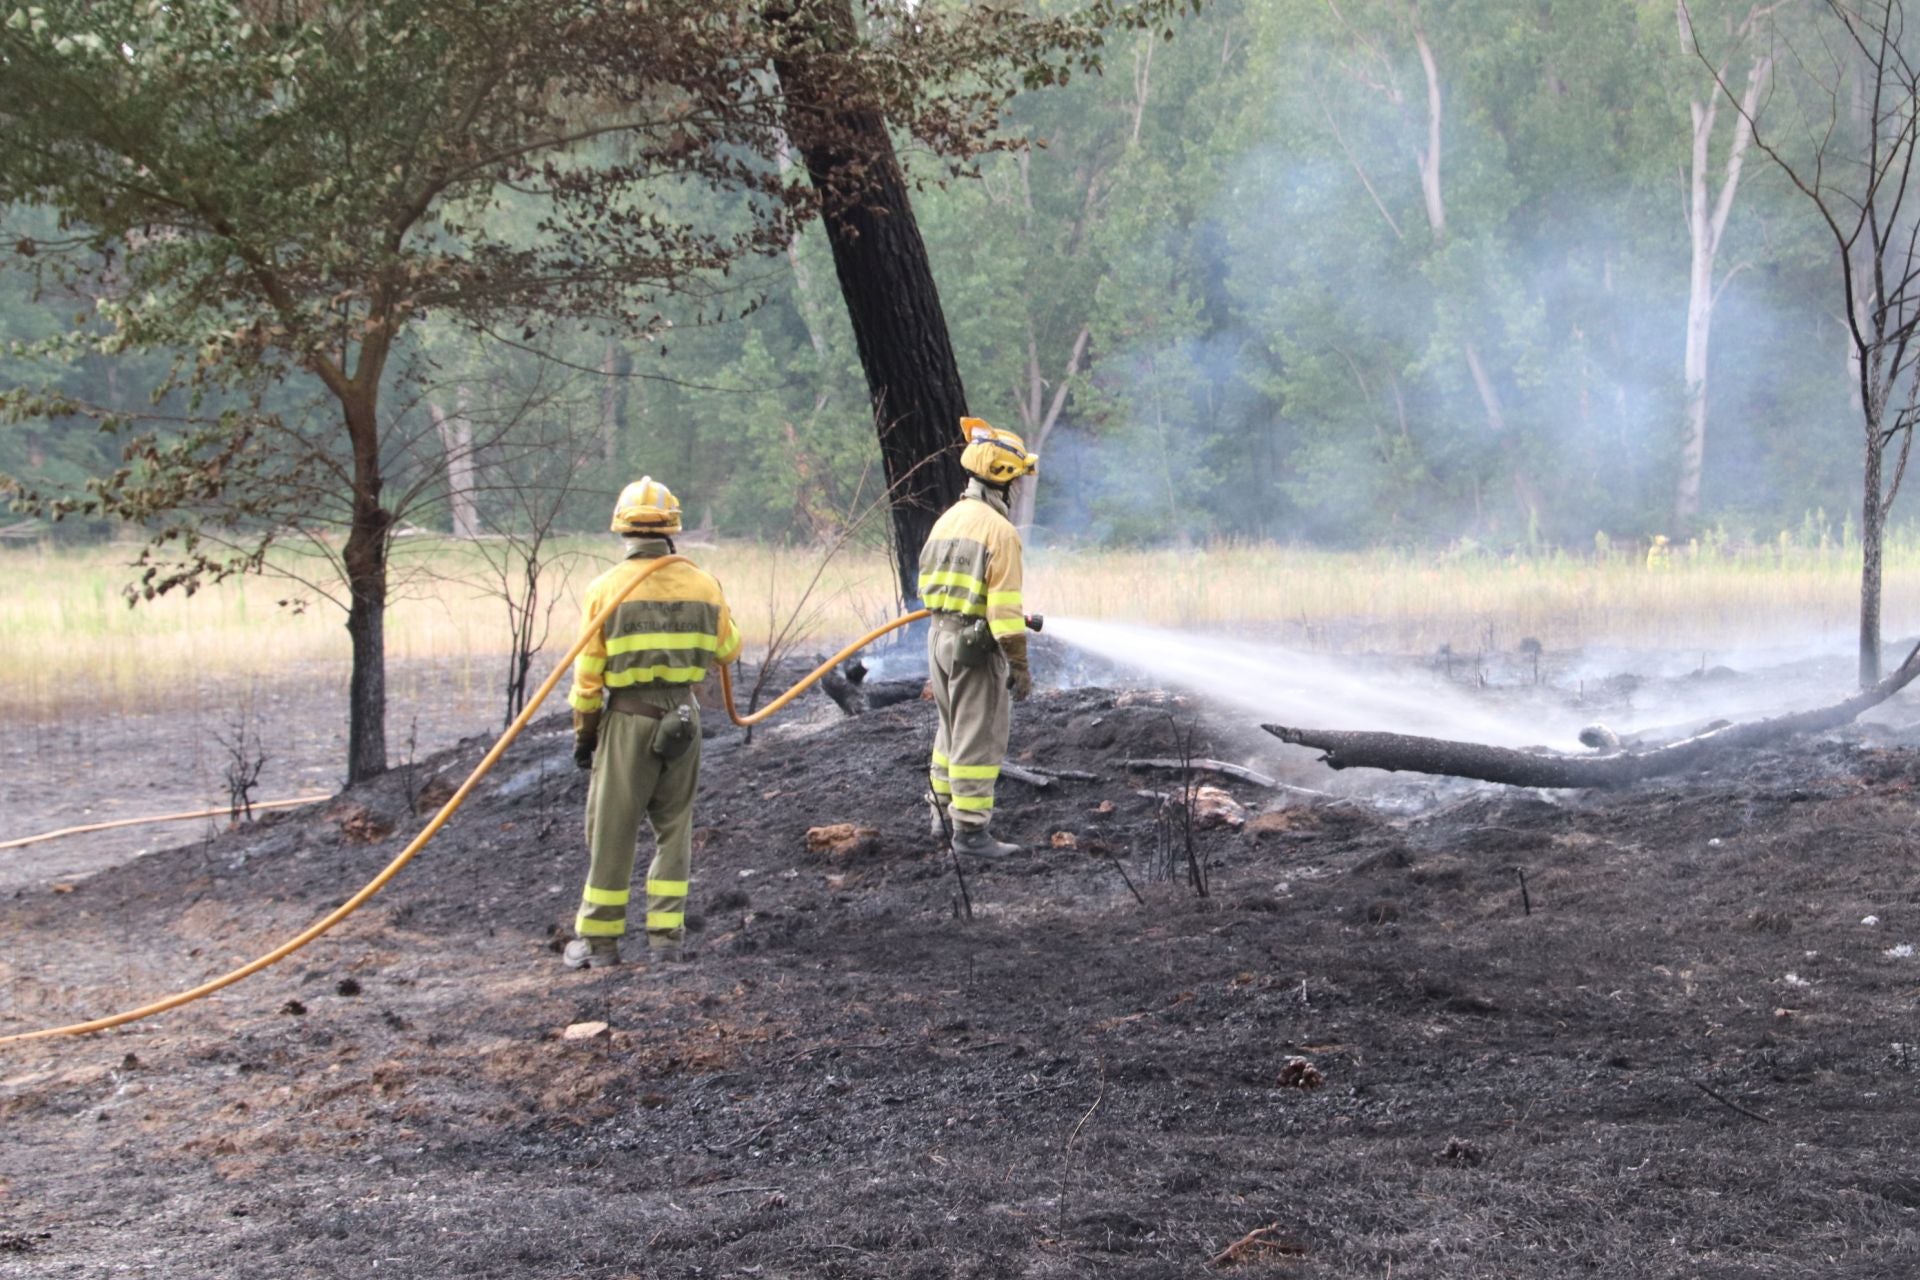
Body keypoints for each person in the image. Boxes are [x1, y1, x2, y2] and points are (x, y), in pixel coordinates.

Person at [563, 476, 741, 969]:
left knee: (612, 831)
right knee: (674, 828)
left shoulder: (605, 590)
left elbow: (588, 677)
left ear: (622, 529)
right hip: (683, 718)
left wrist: (586, 734)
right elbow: (728, 650)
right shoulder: (704, 584)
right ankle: (667, 940)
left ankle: (599, 945)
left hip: (628, 718)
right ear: (672, 528)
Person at [919, 417, 1037, 860]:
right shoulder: (999, 532)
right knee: (978, 735)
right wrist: (1019, 665)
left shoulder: (948, 520)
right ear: (1004, 479)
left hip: (940, 639)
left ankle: (940, 813)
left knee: (950, 731)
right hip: (975, 646)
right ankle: (970, 832)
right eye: (1019, 479)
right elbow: (1005, 613)